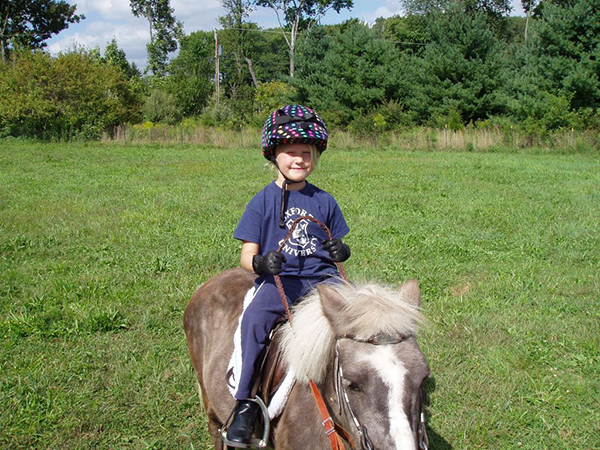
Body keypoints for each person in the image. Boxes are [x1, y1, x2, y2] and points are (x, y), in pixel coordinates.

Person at [226, 105, 351, 446]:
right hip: (281, 281)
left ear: (315, 157)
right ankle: (245, 403)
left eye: (306, 154)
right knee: (253, 321)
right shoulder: (261, 202)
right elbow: (245, 257)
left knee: (359, 317)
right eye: (291, 153)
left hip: (322, 280)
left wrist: (341, 252)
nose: (299, 159)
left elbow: (334, 242)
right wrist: (261, 265)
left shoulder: (324, 200)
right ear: (274, 156)